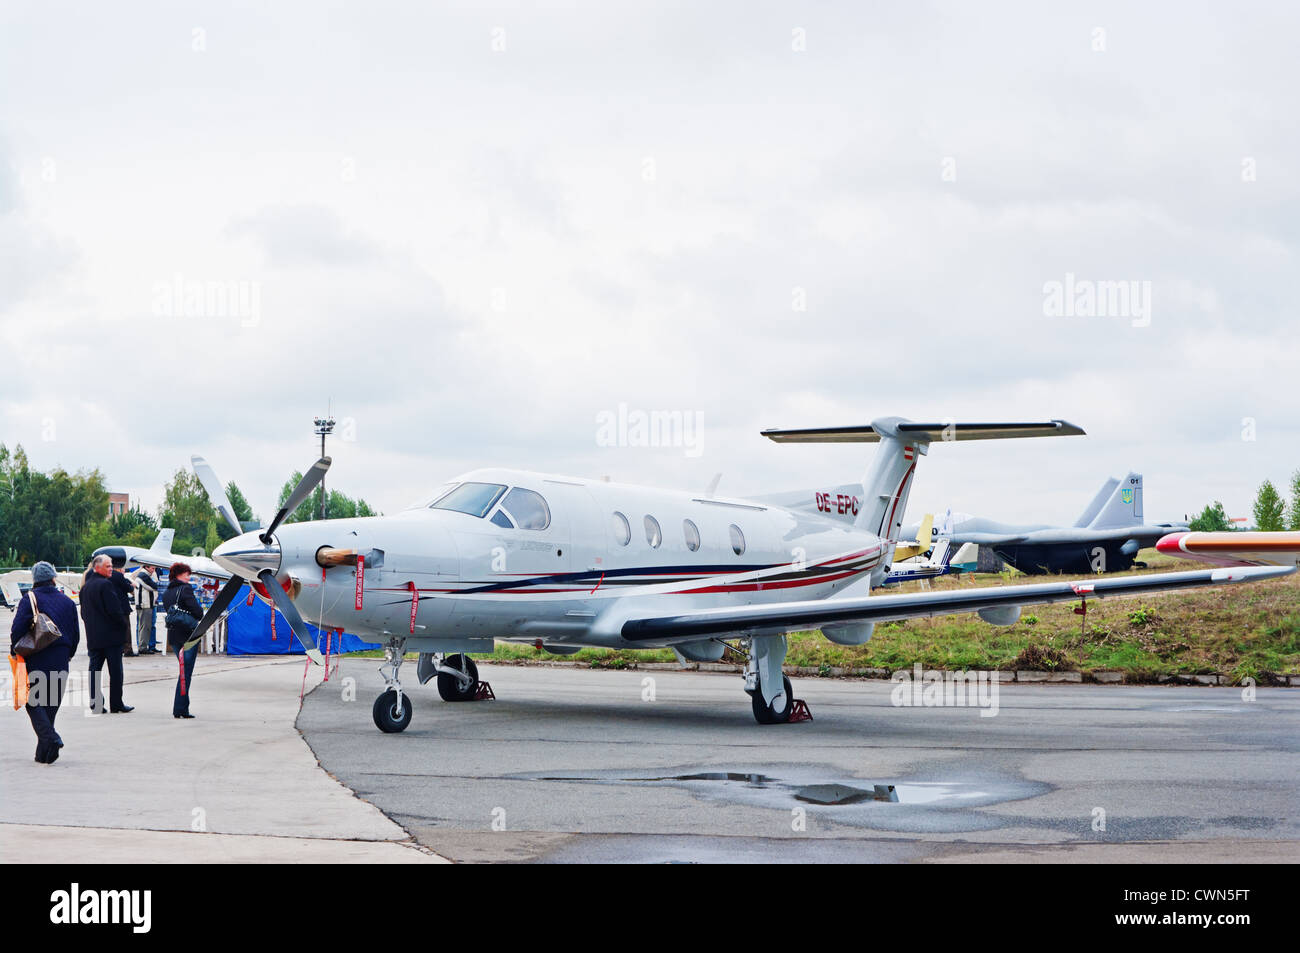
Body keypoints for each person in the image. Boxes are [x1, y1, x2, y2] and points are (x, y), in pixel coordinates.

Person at [9, 561, 81, 763]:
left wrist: (15, 651)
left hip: (37, 658)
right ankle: (44, 755)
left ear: (35, 580)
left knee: (33, 702)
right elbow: (75, 634)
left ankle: (52, 738)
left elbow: (17, 630)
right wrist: (68, 654)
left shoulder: (29, 599)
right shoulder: (67, 602)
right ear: (53, 577)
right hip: (61, 658)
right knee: (50, 706)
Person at [80, 554, 134, 714]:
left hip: (94, 636)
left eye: (111, 566)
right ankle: (116, 703)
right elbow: (115, 611)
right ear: (97, 568)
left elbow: (84, 612)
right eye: (108, 566)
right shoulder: (105, 585)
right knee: (116, 672)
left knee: (94, 671)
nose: (111, 569)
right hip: (111, 637)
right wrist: (122, 626)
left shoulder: (86, 587)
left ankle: (96, 703)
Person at [160, 563, 202, 719]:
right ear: (179, 574)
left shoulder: (167, 592)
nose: (188, 577)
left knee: (184, 670)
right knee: (186, 672)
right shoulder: (186, 589)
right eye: (186, 573)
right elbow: (197, 612)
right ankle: (180, 708)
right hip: (188, 636)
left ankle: (181, 707)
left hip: (174, 636)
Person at [133, 565, 160, 655]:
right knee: (145, 627)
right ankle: (143, 647)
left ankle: (143, 646)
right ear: (146, 567)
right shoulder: (143, 576)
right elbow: (154, 586)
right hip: (145, 605)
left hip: (144, 604)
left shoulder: (144, 575)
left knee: (143, 626)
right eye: (152, 568)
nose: (154, 570)